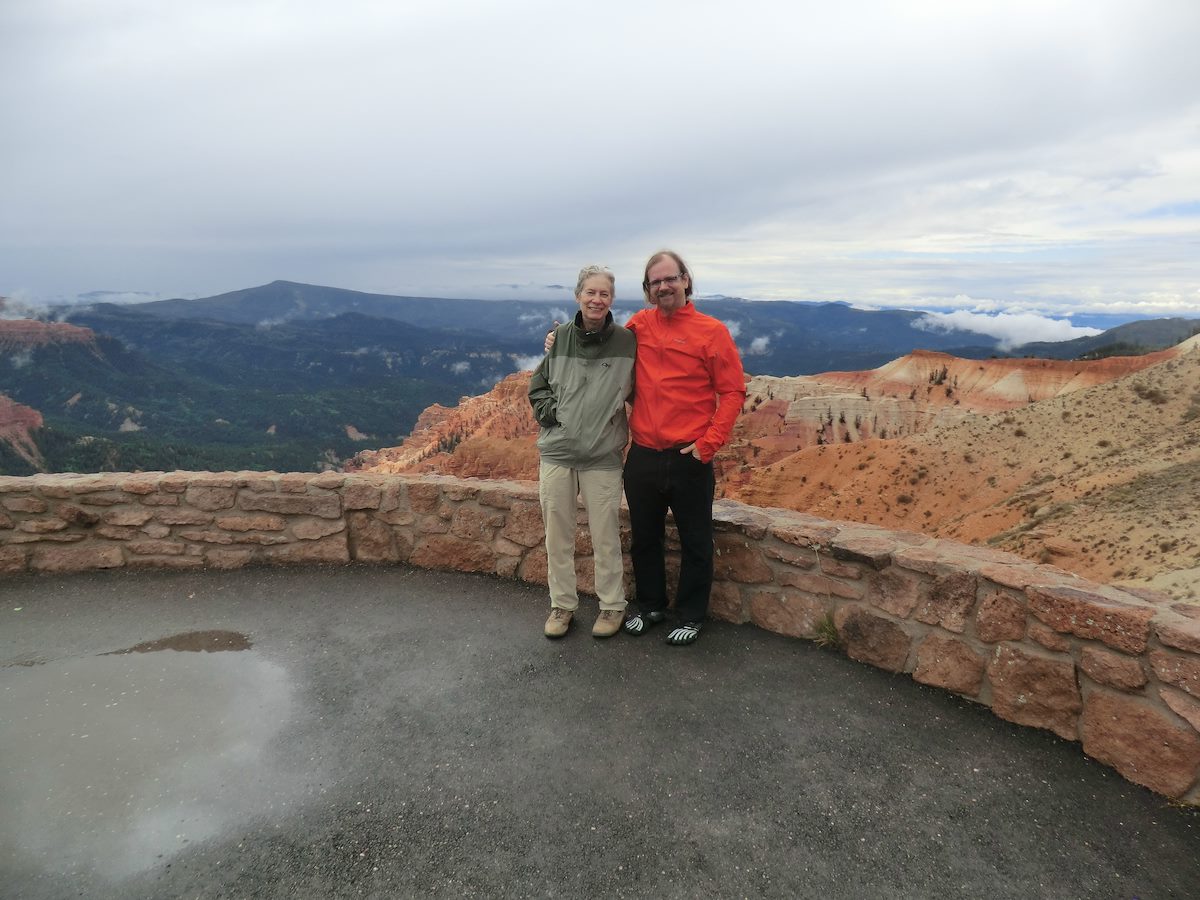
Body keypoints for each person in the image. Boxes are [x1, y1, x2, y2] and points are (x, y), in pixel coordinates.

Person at [619, 250, 746, 645]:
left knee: (695, 540)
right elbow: (600, 347)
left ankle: (691, 614)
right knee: (644, 537)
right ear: (647, 289)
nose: (663, 287)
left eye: (669, 278)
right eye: (655, 282)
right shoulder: (638, 325)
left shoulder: (711, 331)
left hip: (688, 456)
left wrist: (708, 445)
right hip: (642, 455)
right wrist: (558, 338)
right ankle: (651, 605)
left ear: (686, 280)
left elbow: (732, 390)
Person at [528, 265, 636, 639]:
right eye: (590, 292)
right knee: (557, 537)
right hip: (557, 453)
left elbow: (643, 387)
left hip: (602, 457)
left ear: (611, 299)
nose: (596, 299)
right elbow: (537, 385)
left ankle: (612, 606)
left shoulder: (627, 342)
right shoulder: (558, 339)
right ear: (578, 296)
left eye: (604, 293)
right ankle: (562, 605)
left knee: (606, 536)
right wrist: (551, 414)